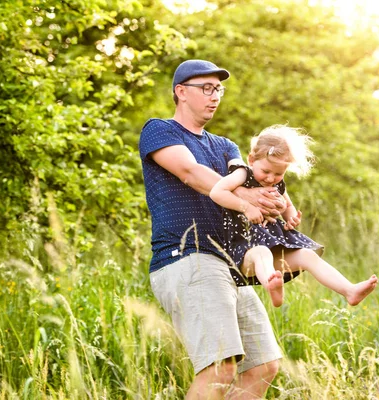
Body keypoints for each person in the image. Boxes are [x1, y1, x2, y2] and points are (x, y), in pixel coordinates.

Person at [139, 59, 285, 399]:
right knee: (220, 368)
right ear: (180, 92)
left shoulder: (226, 146)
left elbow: (252, 189)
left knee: (264, 365)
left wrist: (274, 204)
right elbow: (190, 172)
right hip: (187, 257)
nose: (214, 95)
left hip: (227, 266)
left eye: (218, 89)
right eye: (206, 88)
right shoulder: (160, 131)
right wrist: (247, 197)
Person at [210, 125, 378, 308]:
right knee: (262, 252)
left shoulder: (278, 183)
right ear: (251, 159)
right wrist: (246, 207)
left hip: (272, 243)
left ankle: (349, 290)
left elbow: (287, 205)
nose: (270, 178)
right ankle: (272, 285)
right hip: (242, 248)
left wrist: (291, 218)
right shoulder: (243, 174)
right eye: (266, 171)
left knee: (307, 255)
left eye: (278, 173)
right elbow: (217, 191)